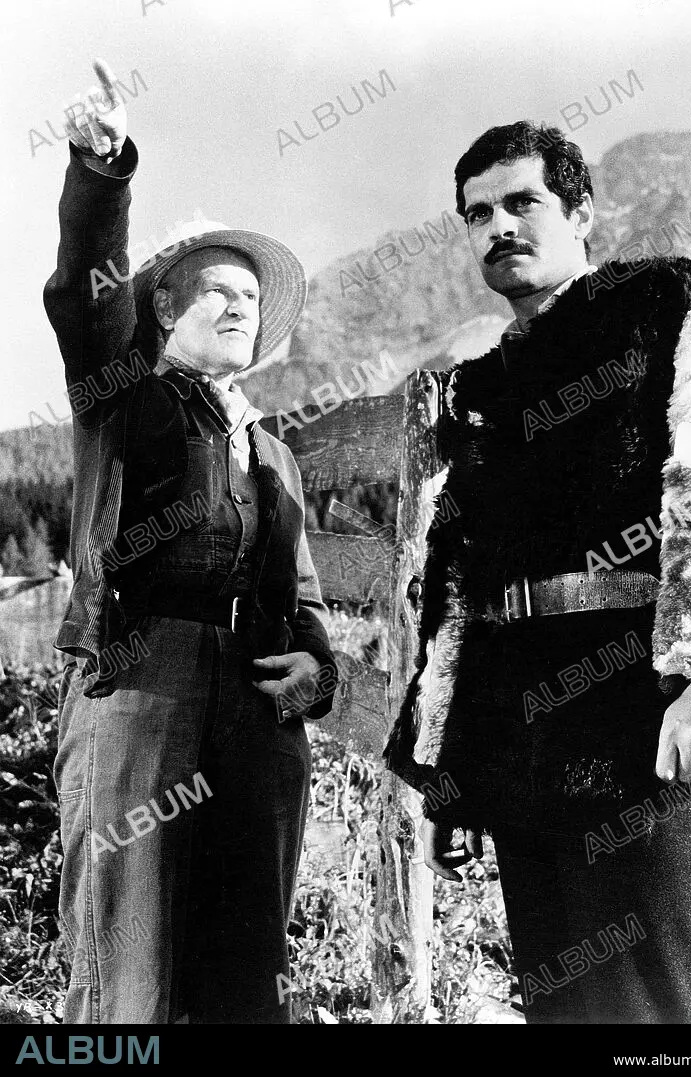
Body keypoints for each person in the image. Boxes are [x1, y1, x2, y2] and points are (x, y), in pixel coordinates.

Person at [385, 120, 691, 1023]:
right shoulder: (483, 386)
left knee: (657, 1014)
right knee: (561, 1005)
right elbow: (458, 589)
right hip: (521, 737)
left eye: (522, 201)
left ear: (580, 214)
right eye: (478, 214)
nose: (499, 226)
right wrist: (453, 766)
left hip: (647, 723)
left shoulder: (669, 302)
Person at [44, 59, 338, 1024]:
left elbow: (305, 597)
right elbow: (85, 295)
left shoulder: (274, 454)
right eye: (215, 289)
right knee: (127, 958)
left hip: (255, 702)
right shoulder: (121, 392)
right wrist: (101, 169)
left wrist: (316, 667)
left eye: (249, 295)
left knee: (245, 964)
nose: (239, 304)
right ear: (164, 309)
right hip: (141, 678)